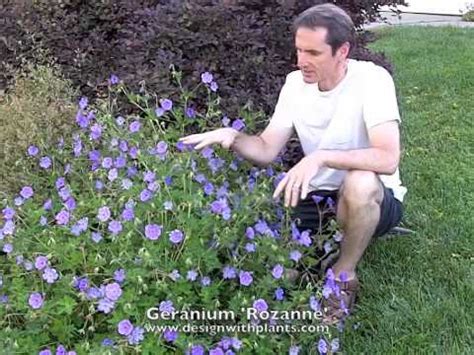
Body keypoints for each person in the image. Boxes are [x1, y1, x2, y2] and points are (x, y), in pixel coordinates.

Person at [179, 3, 407, 324]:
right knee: (279, 271)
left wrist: (321, 156)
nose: (302, 61)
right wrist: (233, 138)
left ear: (342, 51)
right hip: (316, 196)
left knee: (359, 182)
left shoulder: (372, 80)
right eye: (299, 50)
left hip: (376, 197)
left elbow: (387, 156)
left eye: (313, 53)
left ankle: (343, 276)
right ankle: (329, 246)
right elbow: (266, 148)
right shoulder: (294, 85)